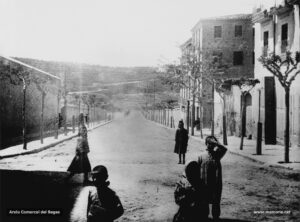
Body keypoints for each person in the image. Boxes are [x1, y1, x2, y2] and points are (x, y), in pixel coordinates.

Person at [198, 136, 227, 221]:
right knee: (204, 202)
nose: (210, 146)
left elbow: (224, 149)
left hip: (215, 183)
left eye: (212, 144)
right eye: (209, 144)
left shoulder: (217, 155)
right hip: (205, 182)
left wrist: (216, 142)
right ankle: (204, 217)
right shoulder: (201, 156)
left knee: (216, 202)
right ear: (206, 144)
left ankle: (216, 217)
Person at [67, 113, 91, 183]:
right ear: (82, 119)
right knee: (81, 164)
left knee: (82, 164)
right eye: (83, 118)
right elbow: (82, 138)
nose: (84, 119)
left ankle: (85, 179)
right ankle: (69, 178)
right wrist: (81, 148)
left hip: (81, 147)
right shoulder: (82, 126)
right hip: (82, 148)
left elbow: (81, 137)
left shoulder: (80, 126)